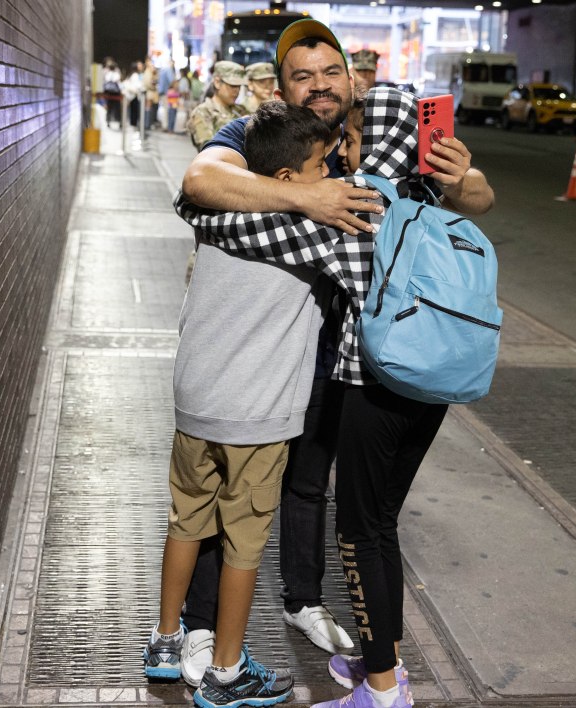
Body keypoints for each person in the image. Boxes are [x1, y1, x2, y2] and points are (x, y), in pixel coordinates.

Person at [175, 85, 494, 708]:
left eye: (350, 140)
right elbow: (478, 196)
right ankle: (386, 663)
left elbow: (237, 227)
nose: (343, 155)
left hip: (372, 388)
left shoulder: (357, 206)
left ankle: (380, 694)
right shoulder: (428, 199)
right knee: (383, 526)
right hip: (431, 392)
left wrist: (197, 209)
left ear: (376, 140)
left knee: (356, 535)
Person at [177, 19, 373, 688]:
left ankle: (303, 601)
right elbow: (201, 183)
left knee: (309, 482)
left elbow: (470, 196)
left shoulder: (374, 129)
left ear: (350, 76)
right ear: (283, 87)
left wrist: (464, 183)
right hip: (263, 358)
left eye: (329, 72)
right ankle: (202, 632)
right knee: (231, 495)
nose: (319, 86)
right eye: (302, 76)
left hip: (334, 354)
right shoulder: (261, 133)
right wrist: (306, 195)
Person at [142, 101, 336, 708]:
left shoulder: (216, 212)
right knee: (243, 545)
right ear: (284, 181)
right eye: (321, 167)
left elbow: (190, 194)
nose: (329, 178)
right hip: (256, 415)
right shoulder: (309, 229)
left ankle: (167, 642)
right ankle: (226, 673)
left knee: (186, 522)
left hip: (194, 403)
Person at [186, 61, 250, 151]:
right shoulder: (203, 112)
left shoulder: (241, 110)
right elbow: (209, 149)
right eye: (232, 85)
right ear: (217, 82)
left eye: (239, 86)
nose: (237, 90)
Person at [101, 57, 123, 128]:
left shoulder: (112, 72)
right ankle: (114, 121)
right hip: (114, 93)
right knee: (114, 108)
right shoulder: (111, 72)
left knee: (113, 108)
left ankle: (113, 121)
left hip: (111, 93)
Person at [123, 60, 144, 129]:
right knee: (134, 112)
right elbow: (137, 86)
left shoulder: (131, 74)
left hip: (130, 96)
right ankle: (133, 126)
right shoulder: (135, 75)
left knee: (132, 112)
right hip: (134, 95)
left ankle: (132, 125)